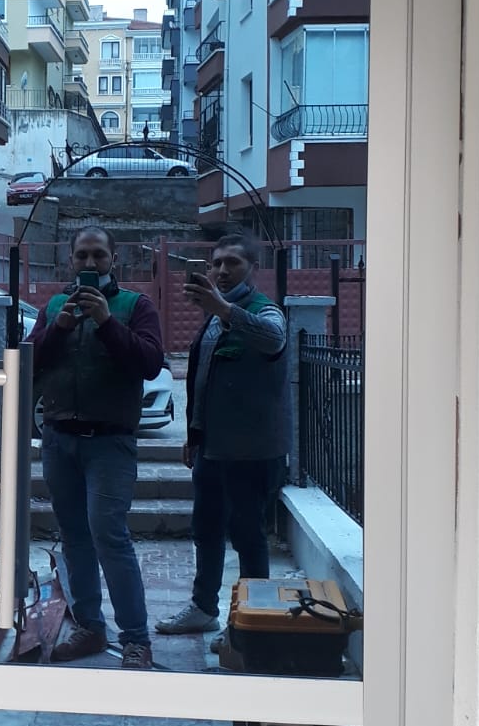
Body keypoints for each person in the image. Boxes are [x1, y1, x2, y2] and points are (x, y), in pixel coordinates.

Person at [27, 224, 163, 668]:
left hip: (109, 443)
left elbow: (149, 362)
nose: (90, 263)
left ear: (113, 259)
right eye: (82, 255)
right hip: (59, 439)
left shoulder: (135, 306)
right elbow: (30, 362)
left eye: (98, 255)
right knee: (74, 538)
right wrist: (59, 328)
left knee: (109, 536)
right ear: (70, 260)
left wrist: (106, 322)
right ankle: (89, 626)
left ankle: (135, 639)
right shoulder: (54, 306)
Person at [156, 233, 289, 637]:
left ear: (253, 269)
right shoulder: (214, 318)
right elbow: (204, 380)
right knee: (207, 530)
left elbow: (274, 340)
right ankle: (203, 608)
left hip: (251, 453)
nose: (222, 270)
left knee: (248, 536)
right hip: (212, 450)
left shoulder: (265, 310)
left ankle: (253, 622)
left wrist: (225, 309)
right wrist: (194, 434)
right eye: (216, 263)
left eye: (233, 263)